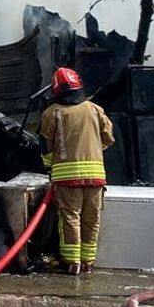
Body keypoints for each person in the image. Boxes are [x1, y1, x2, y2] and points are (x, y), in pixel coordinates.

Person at [39, 67, 114, 275]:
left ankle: (72, 263)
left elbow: (46, 146)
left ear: (56, 89)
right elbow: (108, 138)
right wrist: (92, 149)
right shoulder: (95, 109)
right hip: (96, 177)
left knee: (70, 219)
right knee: (92, 219)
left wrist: (50, 166)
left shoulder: (52, 113)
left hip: (66, 178)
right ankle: (88, 262)